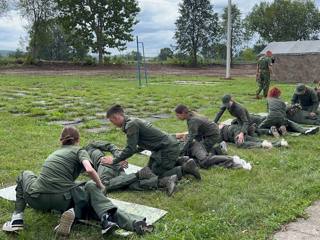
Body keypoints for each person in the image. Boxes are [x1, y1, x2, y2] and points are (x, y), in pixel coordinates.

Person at [2, 127, 152, 236]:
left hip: (35, 198)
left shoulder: (55, 153)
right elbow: (89, 169)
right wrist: (100, 185)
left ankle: (17, 218)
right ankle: (109, 219)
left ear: (61, 141)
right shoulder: (80, 150)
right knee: (92, 191)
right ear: (78, 140)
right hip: (61, 199)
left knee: (25, 174)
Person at [102, 105, 201, 181]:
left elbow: (131, 148)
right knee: (148, 170)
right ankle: (182, 160)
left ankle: (185, 168)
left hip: (167, 149)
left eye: (111, 121)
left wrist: (114, 160)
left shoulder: (131, 125)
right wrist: (123, 155)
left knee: (156, 175)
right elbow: (141, 144)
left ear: (116, 117)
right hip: (163, 148)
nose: (113, 124)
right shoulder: (133, 121)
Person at [85, 141, 177, 196]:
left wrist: (118, 158)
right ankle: (164, 181)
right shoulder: (79, 154)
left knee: (103, 184)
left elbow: (110, 146)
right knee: (126, 184)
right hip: (112, 166)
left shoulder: (87, 147)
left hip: (105, 163)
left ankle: (139, 174)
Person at [174, 104, 251, 170]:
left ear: (183, 113)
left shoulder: (192, 121)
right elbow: (195, 134)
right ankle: (220, 148)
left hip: (212, 135)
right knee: (201, 152)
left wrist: (182, 151)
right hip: (211, 132)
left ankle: (229, 157)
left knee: (204, 159)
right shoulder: (192, 115)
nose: (177, 117)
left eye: (178, 115)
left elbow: (191, 138)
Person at [219, 124, 288, 149]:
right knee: (252, 139)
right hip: (235, 128)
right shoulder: (217, 128)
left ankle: (262, 144)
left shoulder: (214, 133)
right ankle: (280, 143)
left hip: (232, 131)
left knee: (240, 144)